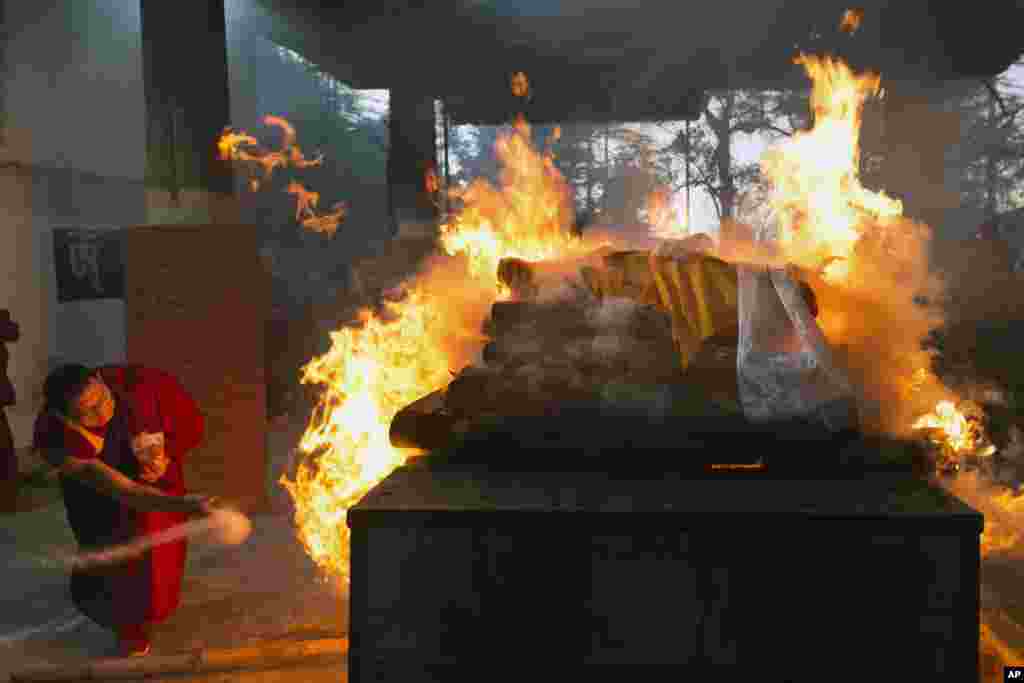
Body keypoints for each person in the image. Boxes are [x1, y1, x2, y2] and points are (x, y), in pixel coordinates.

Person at [32, 363, 214, 657]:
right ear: (64, 417)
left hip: (156, 477)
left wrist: (167, 455)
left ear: (101, 380)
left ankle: (150, 609)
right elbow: (126, 492)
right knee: (114, 558)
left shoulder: (142, 384)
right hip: (100, 497)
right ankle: (128, 626)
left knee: (161, 554)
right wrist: (187, 504)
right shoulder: (55, 438)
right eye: (87, 413)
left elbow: (191, 424)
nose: (102, 413)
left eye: (102, 400)